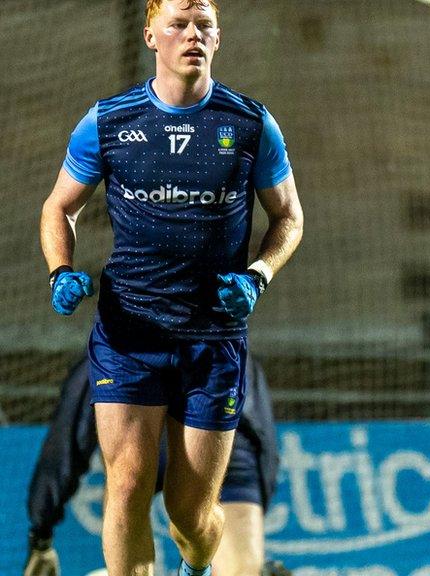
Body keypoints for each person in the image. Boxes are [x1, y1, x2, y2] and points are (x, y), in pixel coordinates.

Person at [39, 1, 303, 574]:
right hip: (128, 333)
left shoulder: (252, 123)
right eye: (179, 23)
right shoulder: (108, 122)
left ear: (218, 37)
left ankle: (197, 567)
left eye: (203, 24)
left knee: (190, 515)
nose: (193, 35)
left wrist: (258, 276)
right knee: (129, 484)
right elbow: (60, 207)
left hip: (214, 339)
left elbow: (289, 218)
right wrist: (61, 269)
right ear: (150, 35)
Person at [23, 354, 289, 576]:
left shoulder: (119, 329)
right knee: (241, 570)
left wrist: (41, 533)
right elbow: (263, 438)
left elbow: (66, 439)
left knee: (124, 481)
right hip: (224, 451)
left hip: (151, 442)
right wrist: (254, 510)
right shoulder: (231, 338)